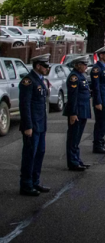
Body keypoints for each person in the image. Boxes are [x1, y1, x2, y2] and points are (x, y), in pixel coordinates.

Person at [19, 53, 51, 196]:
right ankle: (26, 185)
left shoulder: (40, 80)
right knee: (29, 155)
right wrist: (28, 126)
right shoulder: (28, 81)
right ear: (38, 66)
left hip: (40, 124)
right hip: (32, 125)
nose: (47, 68)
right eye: (45, 66)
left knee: (40, 153)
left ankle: (35, 181)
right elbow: (25, 105)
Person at [64, 56, 92, 171]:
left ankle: (77, 159)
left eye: (86, 64)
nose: (86, 66)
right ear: (77, 65)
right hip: (77, 111)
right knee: (73, 138)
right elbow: (73, 97)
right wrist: (73, 113)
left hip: (83, 110)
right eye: (83, 64)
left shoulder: (81, 76)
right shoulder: (74, 77)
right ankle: (73, 162)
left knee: (77, 138)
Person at [90, 46, 105, 154]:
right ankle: (97, 144)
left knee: (103, 123)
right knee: (100, 123)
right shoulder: (96, 69)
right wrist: (98, 101)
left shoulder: (103, 67)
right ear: (101, 55)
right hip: (101, 101)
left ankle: (101, 142)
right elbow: (96, 87)